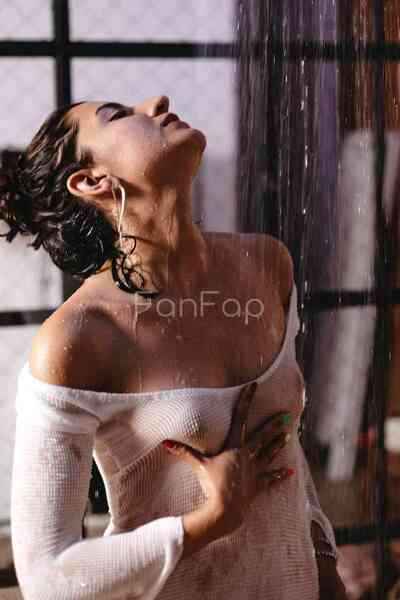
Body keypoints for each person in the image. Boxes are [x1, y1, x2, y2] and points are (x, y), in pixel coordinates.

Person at [1, 95, 347, 599]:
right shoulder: (77, 339)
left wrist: (325, 563)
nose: (156, 101)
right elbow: (47, 578)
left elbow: (281, 444)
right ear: (92, 181)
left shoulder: (266, 265)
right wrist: (208, 521)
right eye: (118, 115)